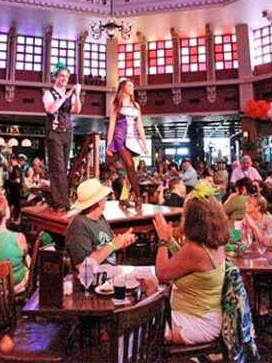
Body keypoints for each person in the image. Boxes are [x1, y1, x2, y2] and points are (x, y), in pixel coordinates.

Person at [152, 181, 229, 345]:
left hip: (196, 321)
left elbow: (161, 273)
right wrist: (172, 241)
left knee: (137, 323)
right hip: (207, 315)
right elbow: (185, 262)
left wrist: (163, 241)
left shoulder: (196, 251)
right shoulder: (214, 244)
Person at [65, 178, 136, 266]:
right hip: (94, 277)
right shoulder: (79, 225)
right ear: (98, 201)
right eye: (104, 196)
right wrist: (113, 245)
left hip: (110, 273)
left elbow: (108, 244)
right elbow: (83, 266)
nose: (106, 199)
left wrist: (122, 241)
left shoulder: (100, 218)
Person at [43, 62, 82, 211]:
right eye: (61, 76)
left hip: (67, 132)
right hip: (54, 133)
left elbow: (77, 110)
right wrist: (66, 94)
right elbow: (51, 109)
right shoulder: (49, 94)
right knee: (57, 168)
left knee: (63, 168)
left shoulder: (69, 95)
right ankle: (61, 203)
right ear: (56, 77)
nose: (64, 79)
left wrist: (77, 95)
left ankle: (60, 200)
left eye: (66, 76)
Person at [106, 78, 149, 200]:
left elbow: (140, 126)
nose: (132, 88)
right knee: (129, 165)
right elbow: (112, 125)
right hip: (120, 139)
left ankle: (126, 198)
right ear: (123, 87)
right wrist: (109, 144)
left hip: (133, 139)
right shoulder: (116, 104)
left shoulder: (136, 105)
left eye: (132, 86)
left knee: (131, 169)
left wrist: (145, 145)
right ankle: (138, 197)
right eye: (129, 85)